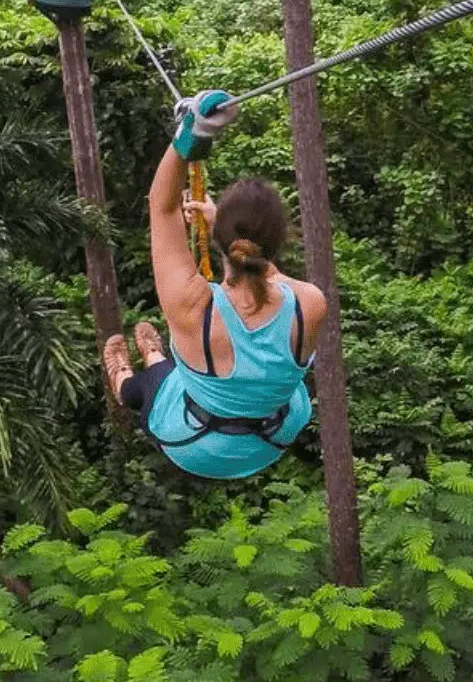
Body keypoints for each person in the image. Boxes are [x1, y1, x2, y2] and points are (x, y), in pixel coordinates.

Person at [102, 91, 327, 479]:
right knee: (186, 368)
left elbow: (163, 205)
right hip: (271, 438)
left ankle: (123, 378)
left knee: (153, 385)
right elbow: (266, 272)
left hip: (195, 443)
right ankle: (155, 355)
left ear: (222, 238)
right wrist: (223, 222)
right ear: (277, 242)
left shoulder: (195, 309)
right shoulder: (310, 303)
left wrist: (191, 134)